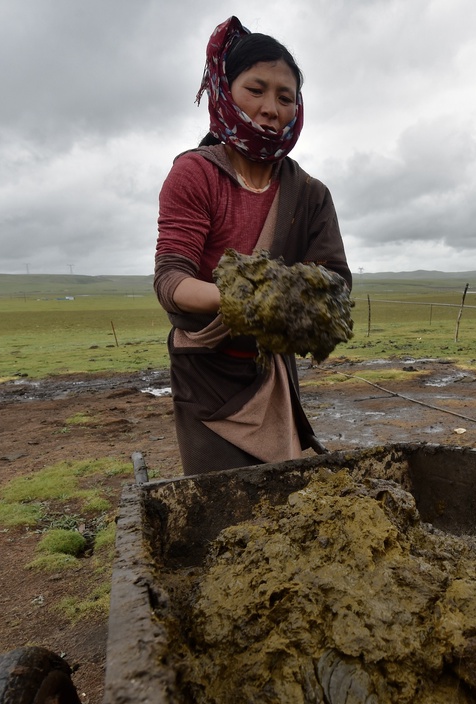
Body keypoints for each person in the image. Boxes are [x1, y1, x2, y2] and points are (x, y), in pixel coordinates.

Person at [154, 16, 351, 475]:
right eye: (255, 90)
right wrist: (252, 298)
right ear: (225, 92)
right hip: (206, 378)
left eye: (285, 97)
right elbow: (171, 281)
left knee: (282, 496)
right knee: (221, 500)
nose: (270, 109)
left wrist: (292, 302)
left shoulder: (309, 194)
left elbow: (335, 283)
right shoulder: (194, 174)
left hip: (273, 374)